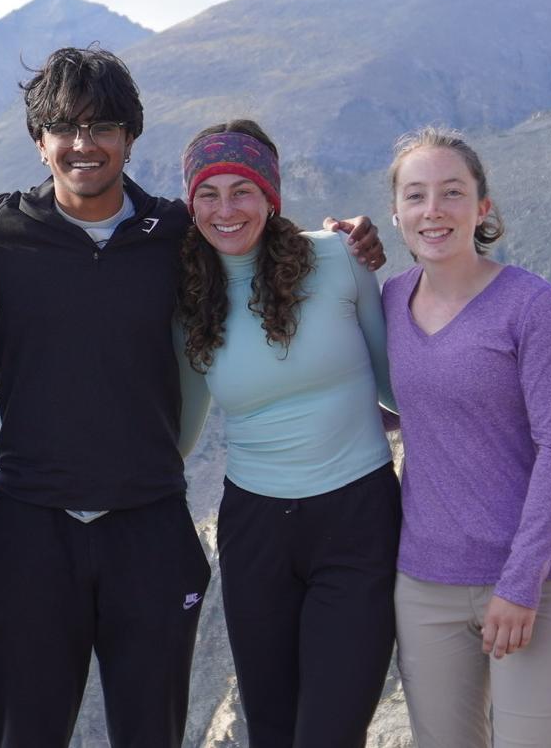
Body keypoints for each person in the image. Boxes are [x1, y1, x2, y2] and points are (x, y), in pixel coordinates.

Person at [0, 47, 386, 748]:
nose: (82, 144)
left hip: (149, 527)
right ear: (38, 143)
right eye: (62, 127)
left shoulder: (178, 236)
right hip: (31, 527)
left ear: (130, 136)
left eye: (101, 126)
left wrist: (351, 240)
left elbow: (257, 240)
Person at [177, 119, 400, 747]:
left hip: (358, 522)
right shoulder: (190, 299)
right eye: (208, 194)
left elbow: (397, 390)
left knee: (330, 734)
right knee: (272, 734)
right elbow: (182, 434)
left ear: (270, 196)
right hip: (255, 534)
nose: (225, 210)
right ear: (190, 203)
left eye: (241, 190)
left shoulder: (339, 259)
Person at [380, 126, 551, 747]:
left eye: (452, 192)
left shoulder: (534, 308)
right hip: (425, 585)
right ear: (397, 213)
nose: (434, 210)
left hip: (534, 585)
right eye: (416, 196)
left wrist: (520, 581)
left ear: (482, 207)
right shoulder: (392, 300)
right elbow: (409, 406)